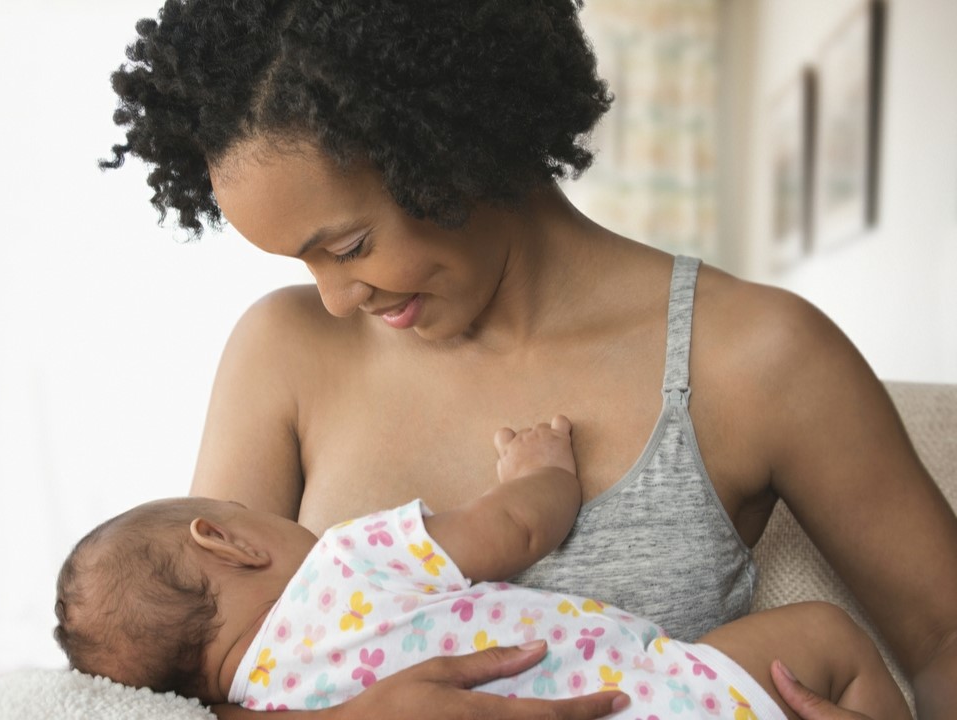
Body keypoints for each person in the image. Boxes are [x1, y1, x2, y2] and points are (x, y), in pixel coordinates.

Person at [100, 1, 957, 718]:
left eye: (351, 244)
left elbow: (943, 639)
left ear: (447, 140)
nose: (334, 297)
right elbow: (185, 680)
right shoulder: (285, 352)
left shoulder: (757, 357)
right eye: (302, 262)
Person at [53, 418, 911, 719]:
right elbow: (513, 528)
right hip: (653, 699)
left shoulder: (258, 704)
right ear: (227, 541)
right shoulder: (348, 560)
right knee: (827, 639)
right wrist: (540, 470)